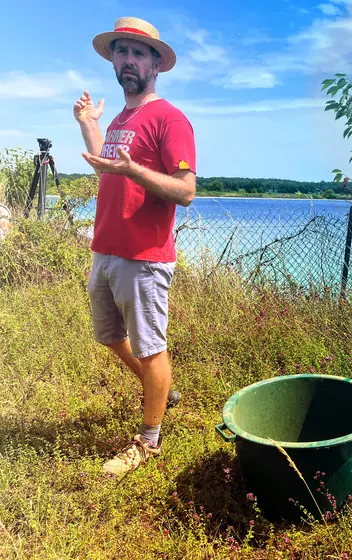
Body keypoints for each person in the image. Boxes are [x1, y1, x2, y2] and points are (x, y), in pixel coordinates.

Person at [74, 17, 196, 475]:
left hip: (143, 257)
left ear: (156, 64)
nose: (128, 60)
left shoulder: (169, 117)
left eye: (138, 53)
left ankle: (148, 441)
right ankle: (161, 388)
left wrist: (134, 172)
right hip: (105, 248)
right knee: (109, 337)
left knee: (150, 348)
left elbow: (185, 191)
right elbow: (109, 166)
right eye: (121, 51)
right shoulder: (123, 118)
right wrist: (90, 126)